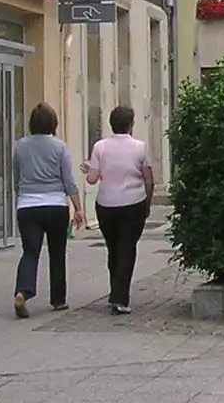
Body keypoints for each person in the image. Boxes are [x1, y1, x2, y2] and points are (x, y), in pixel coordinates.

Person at [12, 102, 84, 319]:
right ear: (54, 123)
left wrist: (22, 195)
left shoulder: (19, 146)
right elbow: (69, 180)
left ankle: (22, 291)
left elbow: (16, 178)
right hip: (55, 205)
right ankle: (58, 299)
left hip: (27, 206)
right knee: (57, 252)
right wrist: (78, 208)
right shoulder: (60, 147)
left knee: (30, 252)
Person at [84, 105, 155, 315]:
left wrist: (89, 169)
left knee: (113, 248)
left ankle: (115, 289)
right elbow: (148, 179)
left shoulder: (100, 147)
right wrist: (147, 203)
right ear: (130, 125)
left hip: (106, 205)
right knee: (127, 248)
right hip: (133, 202)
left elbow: (92, 179)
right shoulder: (140, 148)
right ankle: (120, 297)